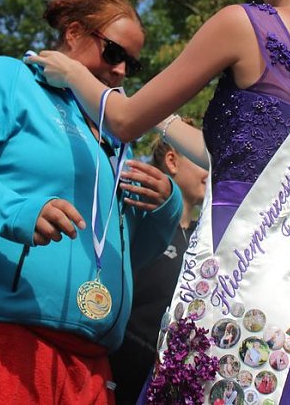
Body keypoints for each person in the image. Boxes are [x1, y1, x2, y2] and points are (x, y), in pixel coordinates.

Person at [29, 0, 290, 403]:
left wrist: (73, 74)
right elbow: (236, 157)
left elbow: (123, 122)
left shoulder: (246, 24)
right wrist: (166, 121)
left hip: (233, 263)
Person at [0, 0, 183, 404]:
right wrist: (16, 210)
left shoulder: (112, 133)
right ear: (72, 33)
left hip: (88, 362)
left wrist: (165, 207)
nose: (121, 70)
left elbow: (120, 254)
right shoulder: (8, 79)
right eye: (113, 52)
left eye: (133, 63)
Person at [109, 119, 208, 404]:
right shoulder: (142, 221)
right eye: (203, 159)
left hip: (165, 386)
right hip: (120, 375)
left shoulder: (204, 242)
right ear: (172, 161)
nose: (211, 170)